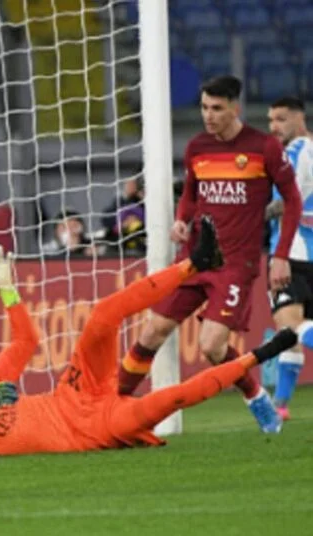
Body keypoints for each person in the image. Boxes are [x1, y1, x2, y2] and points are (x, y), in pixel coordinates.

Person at [0, 219, 298, 459]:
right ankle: (262, 355)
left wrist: (8, 291)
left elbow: (25, 343)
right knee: (167, 399)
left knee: (103, 315)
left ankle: (195, 262)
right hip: (90, 432)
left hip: (72, 394)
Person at [116, 75, 302, 434]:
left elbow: (292, 201)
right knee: (153, 331)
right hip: (194, 259)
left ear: (235, 108)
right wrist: (182, 220)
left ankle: (255, 396)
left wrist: (280, 255)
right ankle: (109, 403)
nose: (208, 115)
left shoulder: (264, 148)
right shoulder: (198, 147)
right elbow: (191, 193)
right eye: (204, 107)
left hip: (236, 264)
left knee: (212, 347)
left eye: (217, 108)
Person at [265, 96, 313, 420]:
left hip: (293, 251)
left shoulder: (295, 152)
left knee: (289, 325)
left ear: (299, 119)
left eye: (281, 119)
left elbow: (286, 201)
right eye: (270, 120)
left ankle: (279, 405)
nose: (274, 127)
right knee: (292, 332)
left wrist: (252, 211)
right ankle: (280, 405)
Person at [101, 177, 146, 255]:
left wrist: (137, 220)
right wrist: (122, 222)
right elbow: (105, 220)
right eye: (128, 184)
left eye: (133, 184)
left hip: (141, 241)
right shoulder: (119, 202)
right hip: (120, 242)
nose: (130, 186)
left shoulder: (145, 204)